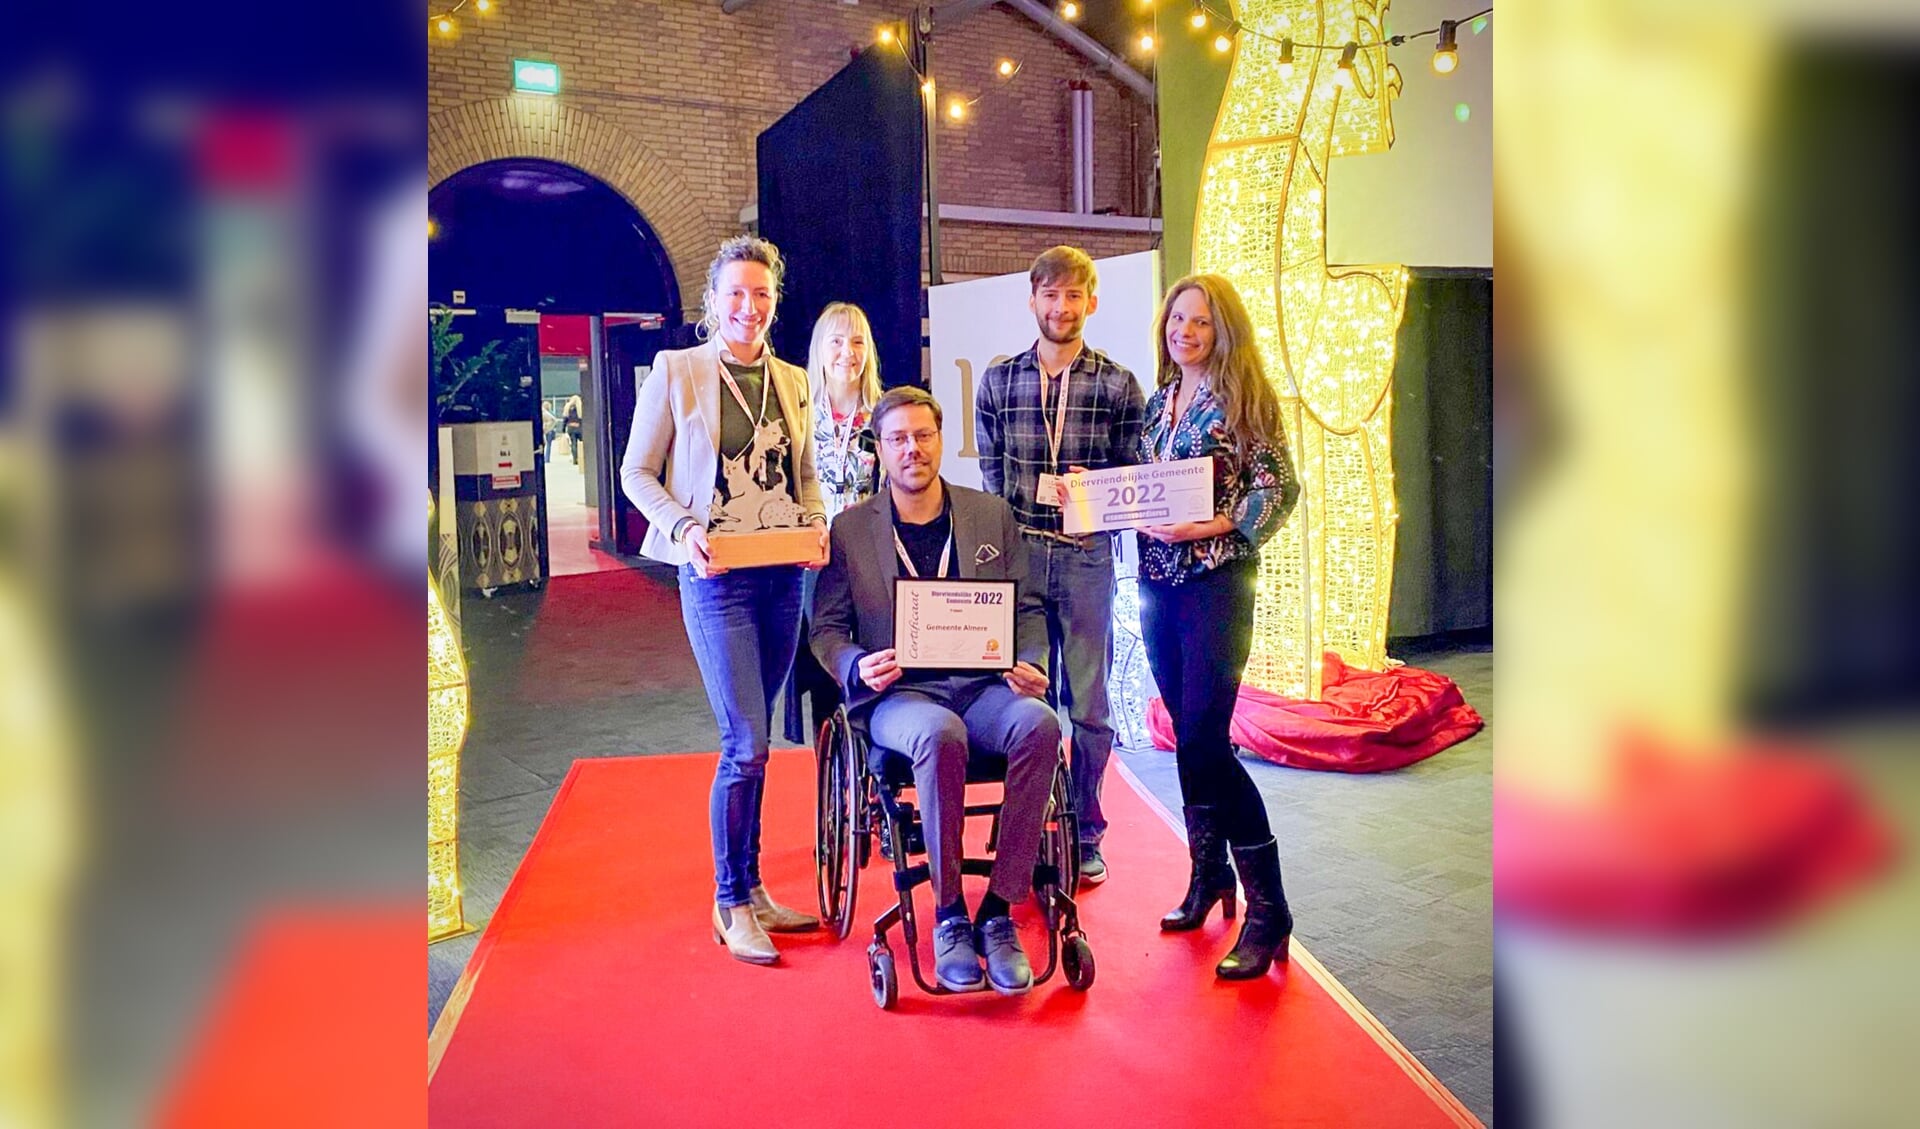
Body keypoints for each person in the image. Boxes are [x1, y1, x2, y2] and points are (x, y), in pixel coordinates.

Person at [620, 235, 832, 966]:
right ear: (713, 302)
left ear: (775, 300)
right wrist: (681, 527)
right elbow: (636, 472)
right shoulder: (677, 371)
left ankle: (754, 886)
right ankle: (730, 899)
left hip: (782, 576)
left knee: (758, 742)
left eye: (761, 294)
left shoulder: (795, 381)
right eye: (735, 294)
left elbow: (804, 474)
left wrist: (815, 522)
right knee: (745, 742)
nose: (749, 307)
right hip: (714, 578)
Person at [811, 386, 1058, 995]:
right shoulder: (849, 530)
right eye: (897, 439)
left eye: (923, 436)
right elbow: (825, 630)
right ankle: (949, 915)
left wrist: (1029, 660)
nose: (912, 449)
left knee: (1042, 725)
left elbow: (1027, 608)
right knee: (939, 735)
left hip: (982, 687)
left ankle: (999, 911)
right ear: (880, 450)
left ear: (940, 441)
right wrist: (856, 665)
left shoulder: (989, 515)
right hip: (900, 699)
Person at [1137, 274, 1301, 980]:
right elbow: (1143, 484)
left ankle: (1270, 909)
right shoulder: (1158, 401)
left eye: (1200, 321)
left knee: (1207, 738)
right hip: (1155, 584)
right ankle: (1208, 878)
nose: (1186, 331)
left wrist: (1214, 523)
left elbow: (1279, 486)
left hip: (1215, 582)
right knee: (1185, 737)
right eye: (1177, 319)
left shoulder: (1244, 400)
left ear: (1222, 328)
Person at [975, 246, 1145, 885]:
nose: (1061, 307)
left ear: (1091, 303)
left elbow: (1133, 477)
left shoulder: (1119, 384)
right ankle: (1024, 816)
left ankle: (1086, 824)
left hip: (1085, 559)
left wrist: (1095, 485)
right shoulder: (999, 382)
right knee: (1020, 694)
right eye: (1050, 295)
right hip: (1019, 559)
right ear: (1033, 301)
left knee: (1090, 708)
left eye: (1074, 296)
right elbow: (992, 480)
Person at [779, 302, 882, 745]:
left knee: (871, 661)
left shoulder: (884, 416)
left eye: (857, 341)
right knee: (823, 660)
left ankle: (874, 757)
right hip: (811, 562)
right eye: (836, 341)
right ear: (819, 350)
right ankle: (830, 769)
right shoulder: (796, 416)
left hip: (871, 557)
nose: (847, 352)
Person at [563, 395, 583, 464]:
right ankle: (582, 457)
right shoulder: (580, 408)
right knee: (582, 443)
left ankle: (575, 459)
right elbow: (582, 420)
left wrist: (563, 429)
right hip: (579, 428)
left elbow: (565, 419)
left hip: (571, 428)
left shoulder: (567, 408)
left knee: (573, 444)